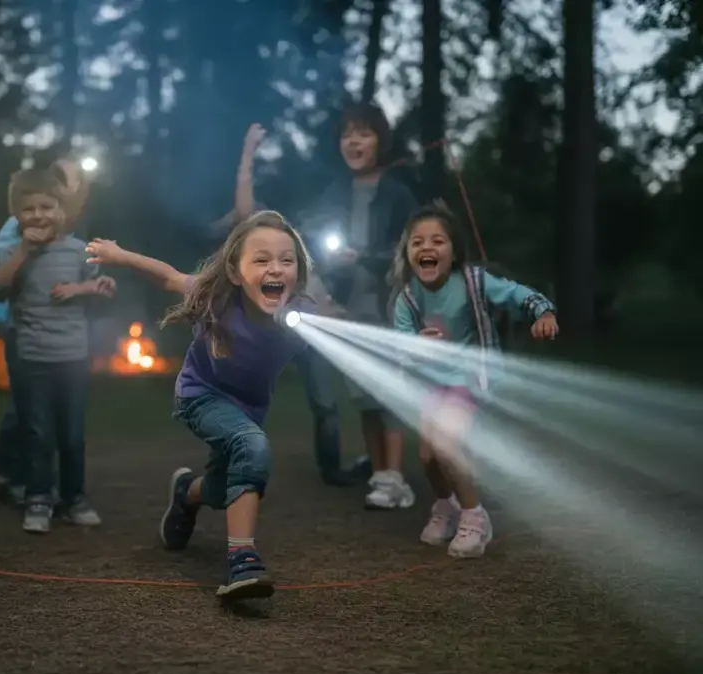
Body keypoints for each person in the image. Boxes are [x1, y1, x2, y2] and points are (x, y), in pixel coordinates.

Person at [85, 210, 334, 602]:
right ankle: (241, 560)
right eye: (262, 259)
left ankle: (187, 494)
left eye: (287, 261)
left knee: (222, 489)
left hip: (248, 409)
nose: (276, 268)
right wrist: (120, 255)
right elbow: (167, 276)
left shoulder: (302, 316)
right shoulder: (216, 296)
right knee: (253, 449)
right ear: (235, 272)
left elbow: (345, 328)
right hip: (199, 396)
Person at [390, 201, 558, 558]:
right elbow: (398, 348)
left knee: (447, 445)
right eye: (417, 243)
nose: (427, 248)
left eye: (437, 241)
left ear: (454, 252)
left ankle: (475, 516)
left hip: (469, 378)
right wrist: (415, 345)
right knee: (427, 457)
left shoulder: (472, 282)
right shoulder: (406, 299)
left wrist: (543, 310)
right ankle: (446, 506)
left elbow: (516, 293)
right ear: (407, 254)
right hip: (431, 384)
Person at [294, 103, 419, 509]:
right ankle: (382, 476)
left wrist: (364, 255)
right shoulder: (336, 193)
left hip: (390, 304)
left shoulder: (399, 193)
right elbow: (317, 240)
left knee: (389, 391)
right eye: (348, 134)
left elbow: (413, 249)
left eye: (363, 133)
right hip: (350, 305)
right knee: (364, 393)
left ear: (380, 141)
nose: (353, 141)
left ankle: (395, 476)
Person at [226, 124, 355, 487]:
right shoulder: (258, 237)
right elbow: (242, 207)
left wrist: (334, 313)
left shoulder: (306, 244)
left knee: (326, 401)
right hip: (264, 329)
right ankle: (239, 463)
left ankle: (331, 469)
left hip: (308, 329)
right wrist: (248, 151)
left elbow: (318, 290)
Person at [0, 169, 115, 534]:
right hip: (31, 357)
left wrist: (91, 288)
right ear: (16, 216)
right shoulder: (15, 251)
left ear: (62, 210)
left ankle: (74, 498)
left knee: (72, 434)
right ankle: (39, 498)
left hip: (73, 356)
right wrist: (23, 252)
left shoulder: (79, 250)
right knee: (37, 431)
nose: (39, 215)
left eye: (47, 206)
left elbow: (97, 292)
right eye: (29, 209)